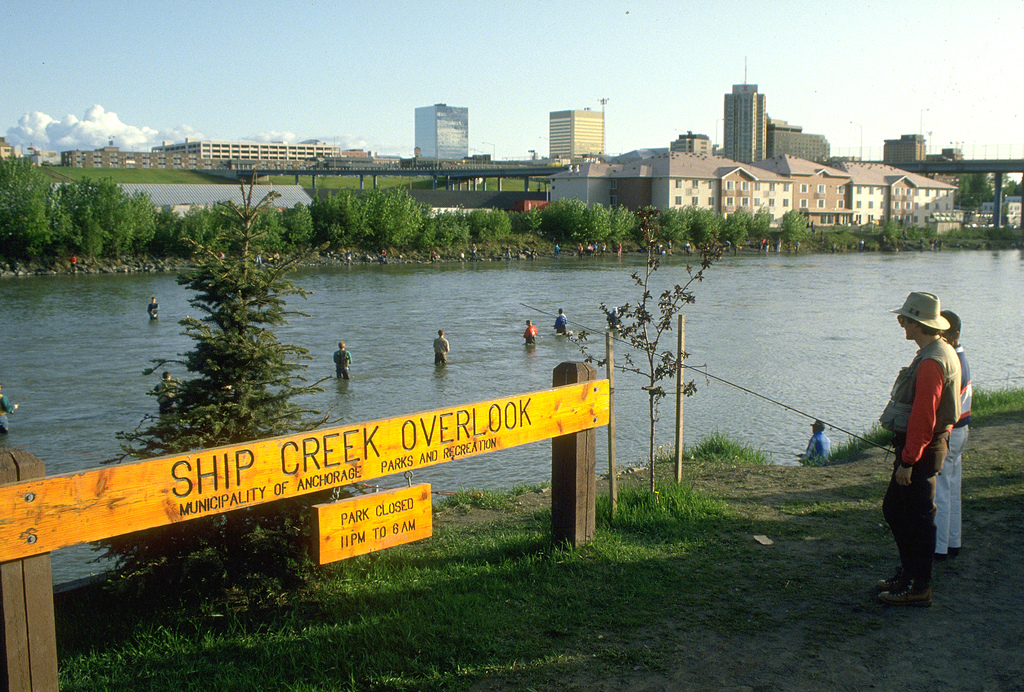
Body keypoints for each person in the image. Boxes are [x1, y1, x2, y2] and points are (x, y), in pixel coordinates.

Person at [876, 292, 961, 607]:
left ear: (917, 323)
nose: (901, 324)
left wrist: (908, 461)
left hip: (920, 450)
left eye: (904, 319)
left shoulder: (931, 361)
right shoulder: (940, 350)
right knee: (898, 511)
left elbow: (924, 417)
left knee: (916, 518)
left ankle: (919, 586)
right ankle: (909, 575)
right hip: (925, 446)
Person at [935, 310, 970, 561]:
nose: (941, 338)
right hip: (962, 429)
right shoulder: (962, 357)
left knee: (941, 491)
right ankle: (953, 541)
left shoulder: (952, 362)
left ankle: (939, 547)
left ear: (955, 334)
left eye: (944, 333)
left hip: (951, 430)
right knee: (953, 487)